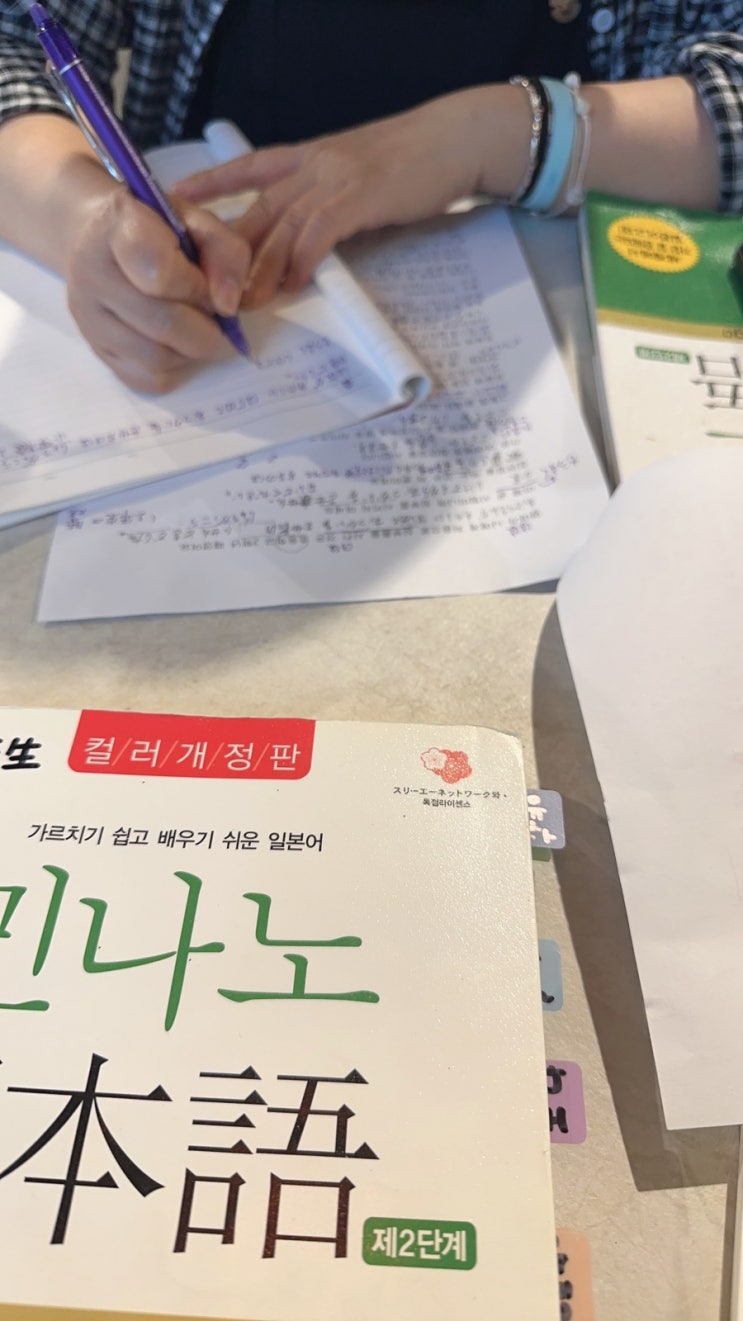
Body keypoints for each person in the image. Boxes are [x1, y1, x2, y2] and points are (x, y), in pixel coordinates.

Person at [0, 0, 740, 394]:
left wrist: (489, 135)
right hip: (231, 308)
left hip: (590, 363)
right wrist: (84, 219)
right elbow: (16, 43)